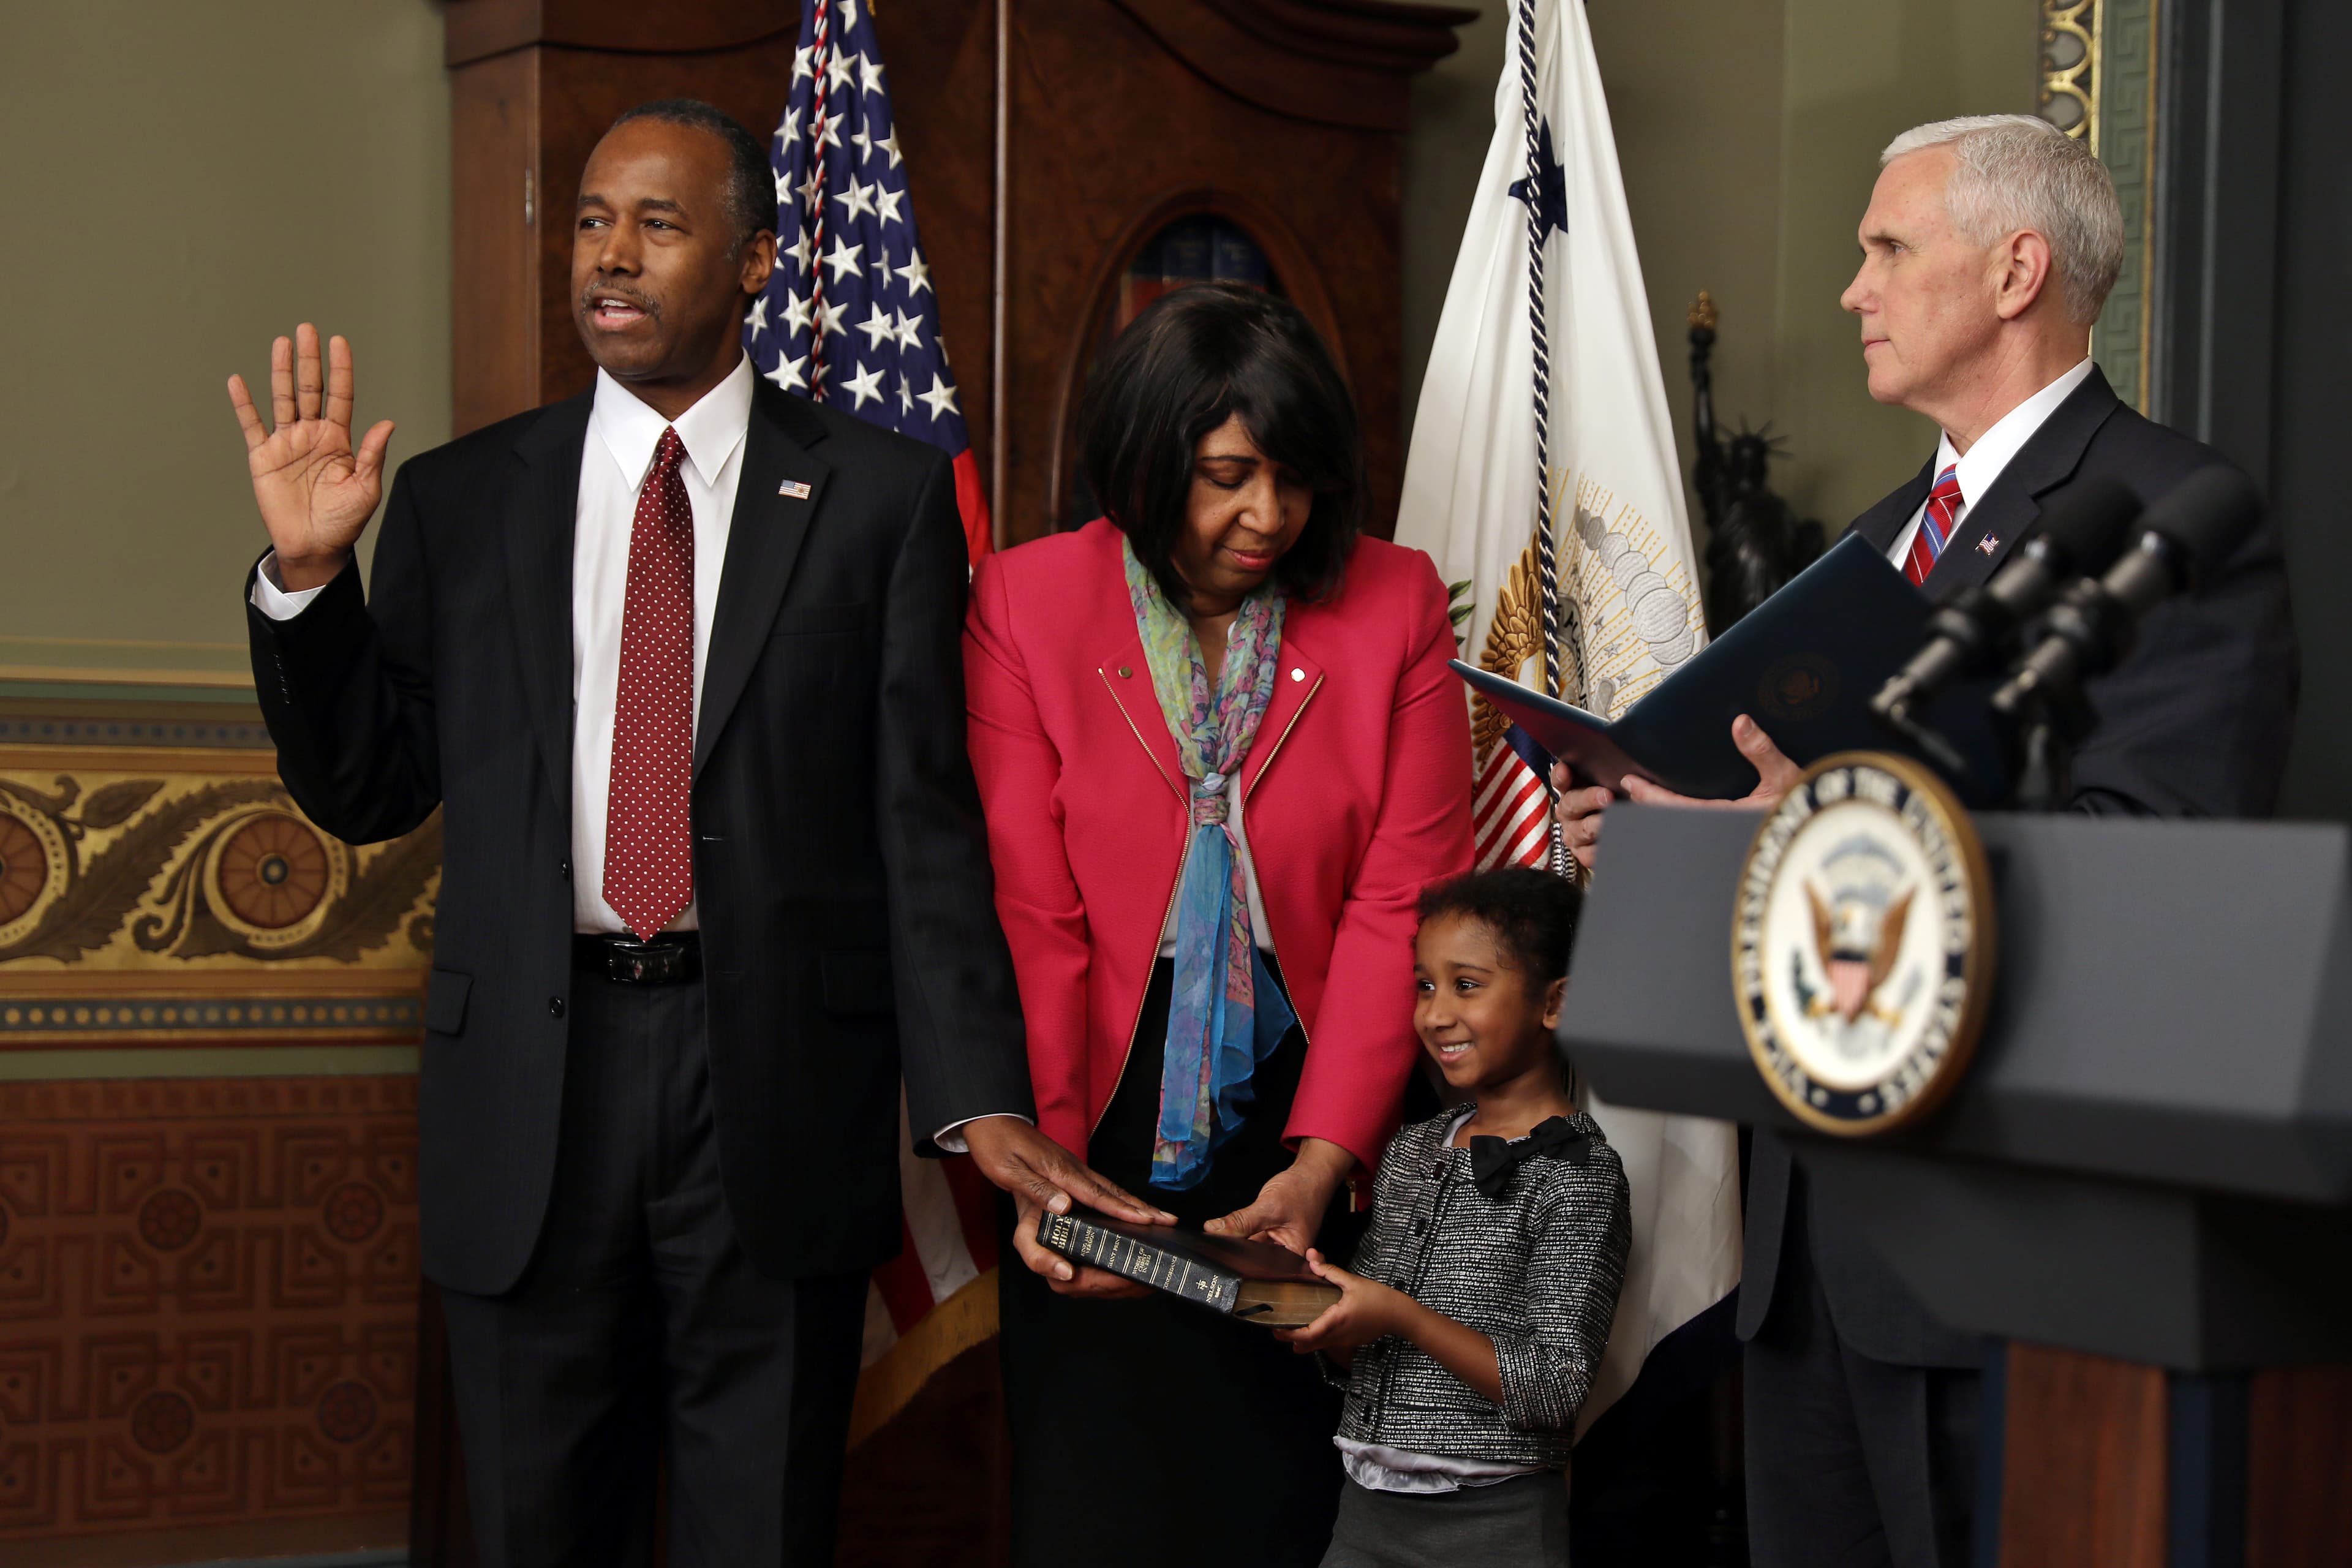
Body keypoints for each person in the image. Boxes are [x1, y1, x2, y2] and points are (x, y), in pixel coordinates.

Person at [227, 99, 1158, 1567]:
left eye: (658, 225)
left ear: (756, 261)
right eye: (593, 219)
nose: (611, 255)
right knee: (538, 1525)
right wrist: (305, 582)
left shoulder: (878, 498)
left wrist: (978, 1092)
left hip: (772, 1092)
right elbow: (367, 786)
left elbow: (920, 827)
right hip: (537, 1085)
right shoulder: (464, 499)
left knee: (757, 1530)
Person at [1555, 115, 2297, 1567]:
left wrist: (1820, 835)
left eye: (1886, 248)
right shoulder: (1880, 536)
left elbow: (2142, 865)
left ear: (2016, 270)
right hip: (1803, 1256)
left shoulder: (2170, 519)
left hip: (1994, 1252)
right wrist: (1685, 843)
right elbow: (1810, 853)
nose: (1851, 288)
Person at [964, 282, 1476, 1566]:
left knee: (1281, 1502)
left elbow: (1396, 899)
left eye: (1295, 477)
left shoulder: (1394, 600)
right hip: (1093, 1093)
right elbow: (1036, 905)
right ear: (1147, 460)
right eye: (1228, 475)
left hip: (1316, 1101)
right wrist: (1059, 1178)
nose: (1269, 515)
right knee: (1097, 1497)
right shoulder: (1026, 602)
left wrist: (1321, 1158)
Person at [1278, 869, 1630, 1568]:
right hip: (1366, 1507)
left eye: (1466, 984)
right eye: (1425, 984)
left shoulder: (1579, 1173)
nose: (1436, 1013)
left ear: (1555, 1002)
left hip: (1494, 1521)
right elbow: (1366, 1351)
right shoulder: (1414, 1145)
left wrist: (1401, 1315)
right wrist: (1313, 1309)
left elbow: (1555, 1383)